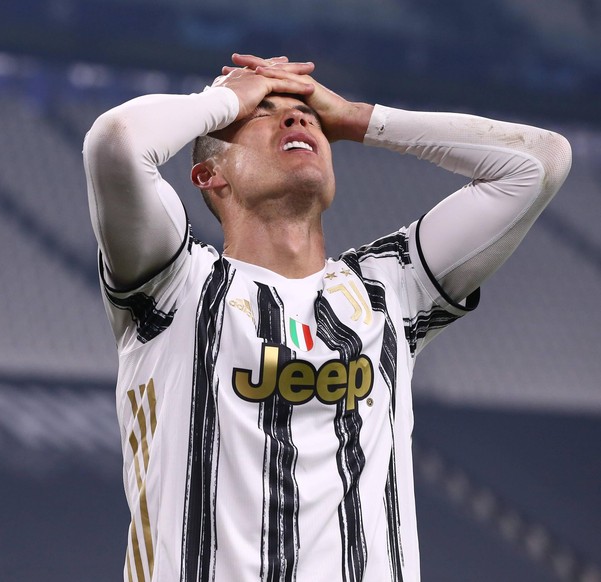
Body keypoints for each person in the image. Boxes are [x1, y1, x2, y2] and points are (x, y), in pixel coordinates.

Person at [83, 53, 571, 581]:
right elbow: (117, 143)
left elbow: (539, 162)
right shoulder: (177, 284)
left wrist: (359, 118)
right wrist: (226, 97)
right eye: (261, 115)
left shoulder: (388, 289)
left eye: (307, 114)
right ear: (209, 176)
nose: (297, 117)